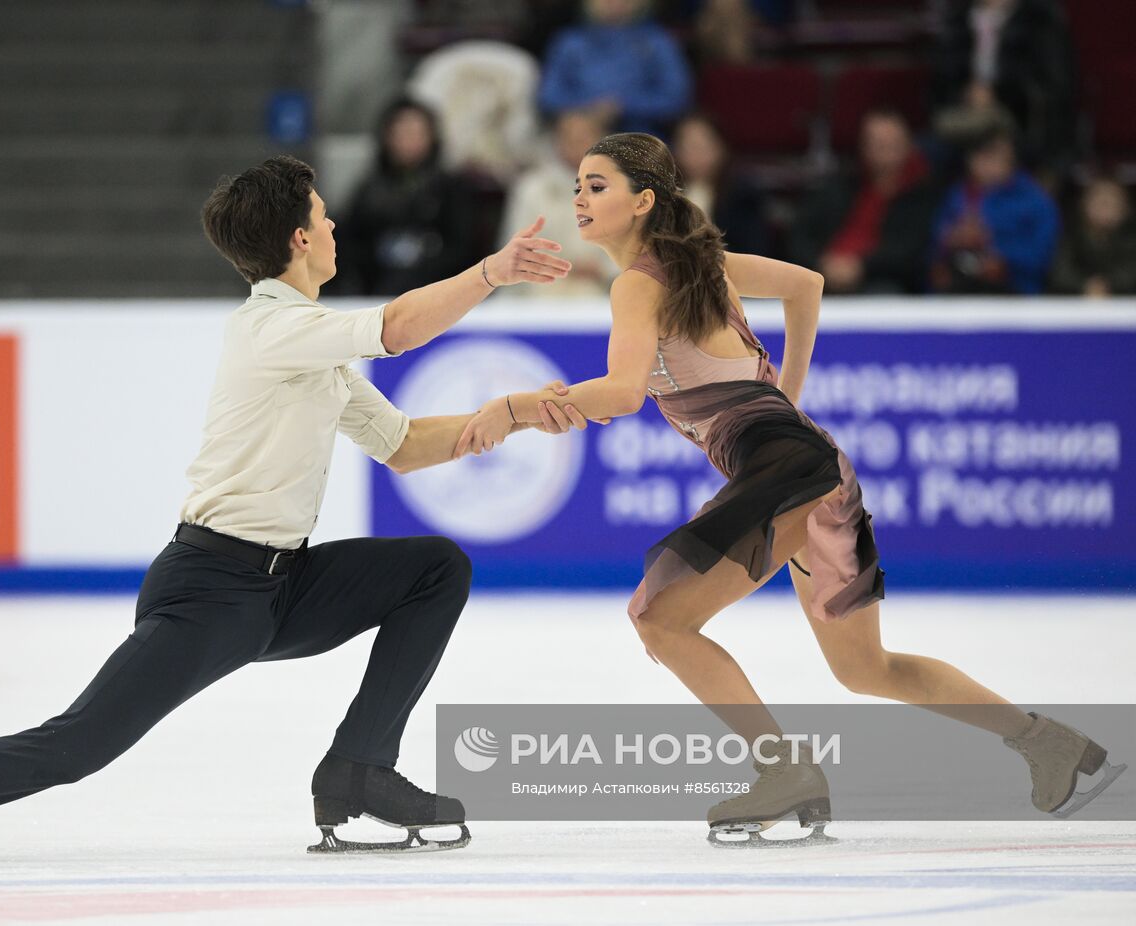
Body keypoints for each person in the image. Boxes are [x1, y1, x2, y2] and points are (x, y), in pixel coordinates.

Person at [0, 155, 583, 864]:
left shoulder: (312, 345)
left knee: (434, 567)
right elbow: (398, 328)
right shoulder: (272, 329)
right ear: (299, 238)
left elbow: (403, 444)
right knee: (72, 747)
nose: (333, 230)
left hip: (282, 586)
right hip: (212, 589)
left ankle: (360, 768)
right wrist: (491, 273)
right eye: (324, 218)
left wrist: (507, 413)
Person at [455, 132, 1124, 842]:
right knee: (866, 669)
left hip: (790, 470)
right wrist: (788, 401)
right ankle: (1049, 744)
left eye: (596, 186)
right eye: (579, 186)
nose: (579, 199)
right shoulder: (698, 266)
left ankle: (783, 771)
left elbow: (622, 394)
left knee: (661, 620)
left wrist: (514, 409)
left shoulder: (640, 283)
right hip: (816, 467)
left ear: (643, 201)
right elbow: (808, 285)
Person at [334, 97, 479, 296]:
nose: (408, 141)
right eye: (401, 133)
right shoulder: (369, 190)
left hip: (438, 293)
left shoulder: (451, 189)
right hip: (376, 293)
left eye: (416, 133)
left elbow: (463, 249)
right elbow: (350, 245)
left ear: (432, 136)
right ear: (387, 137)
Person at [787, 108, 940, 294]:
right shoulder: (839, 185)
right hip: (822, 274)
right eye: (876, 143)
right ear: (863, 145)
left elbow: (910, 250)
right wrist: (821, 263)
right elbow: (800, 234)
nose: (883, 151)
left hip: (880, 282)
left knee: (884, 297)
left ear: (908, 145)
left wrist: (861, 267)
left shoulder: (921, 193)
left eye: (891, 144)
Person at [931, 0, 1076, 173]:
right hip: (963, 117)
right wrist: (967, 95)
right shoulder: (957, 21)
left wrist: (998, 94)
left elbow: (1054, 87)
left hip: (1021, 122)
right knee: (927, 151)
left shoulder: (1040, 20)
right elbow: (939, 85)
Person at [500, 108, 620, 300]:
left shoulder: (620, 191)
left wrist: (604, 270)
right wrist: (561, 266)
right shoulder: (532, 187)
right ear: (557, 141)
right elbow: (515, 248)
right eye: (569, 138)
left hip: (601, 291)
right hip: (541, 291)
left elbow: (632, 253)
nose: (577, 145)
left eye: (584, 137)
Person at [930, 124, 1060, 295]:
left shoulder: (1036, 201)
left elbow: (1042, 257)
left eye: (996, 157)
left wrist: (994, 247)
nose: (988, 165)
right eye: (982, 156)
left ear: (1012, 160)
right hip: (957, 286)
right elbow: (933, 246)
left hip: (1014, 290)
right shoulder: (956, 195)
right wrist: (951, 240)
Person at [538, 0, 694, 135]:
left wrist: (623, 107)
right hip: (577, 134)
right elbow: (549, 96)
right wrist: (591, 107)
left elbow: (677, 97)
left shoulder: (658, 41)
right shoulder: (569, 42)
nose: (615, 2)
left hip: (641, 137)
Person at [671, 112, 771, 258]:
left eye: (703, 146)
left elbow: (755, 251)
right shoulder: (662, 194)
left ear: (721, 148)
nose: (696, 155)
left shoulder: (743, 196)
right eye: (689, 146)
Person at [1049, 176, 1136, 298]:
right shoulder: (1070, 235)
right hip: (1073, 305)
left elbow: (1131, 273)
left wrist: (1108, 285)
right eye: (1100, 201)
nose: (1105, 208)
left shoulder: (1132, 237)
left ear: (1125, 208)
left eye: (1112, 202)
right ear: (1085, 204)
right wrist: (1085, 285)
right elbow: (1060, 272)